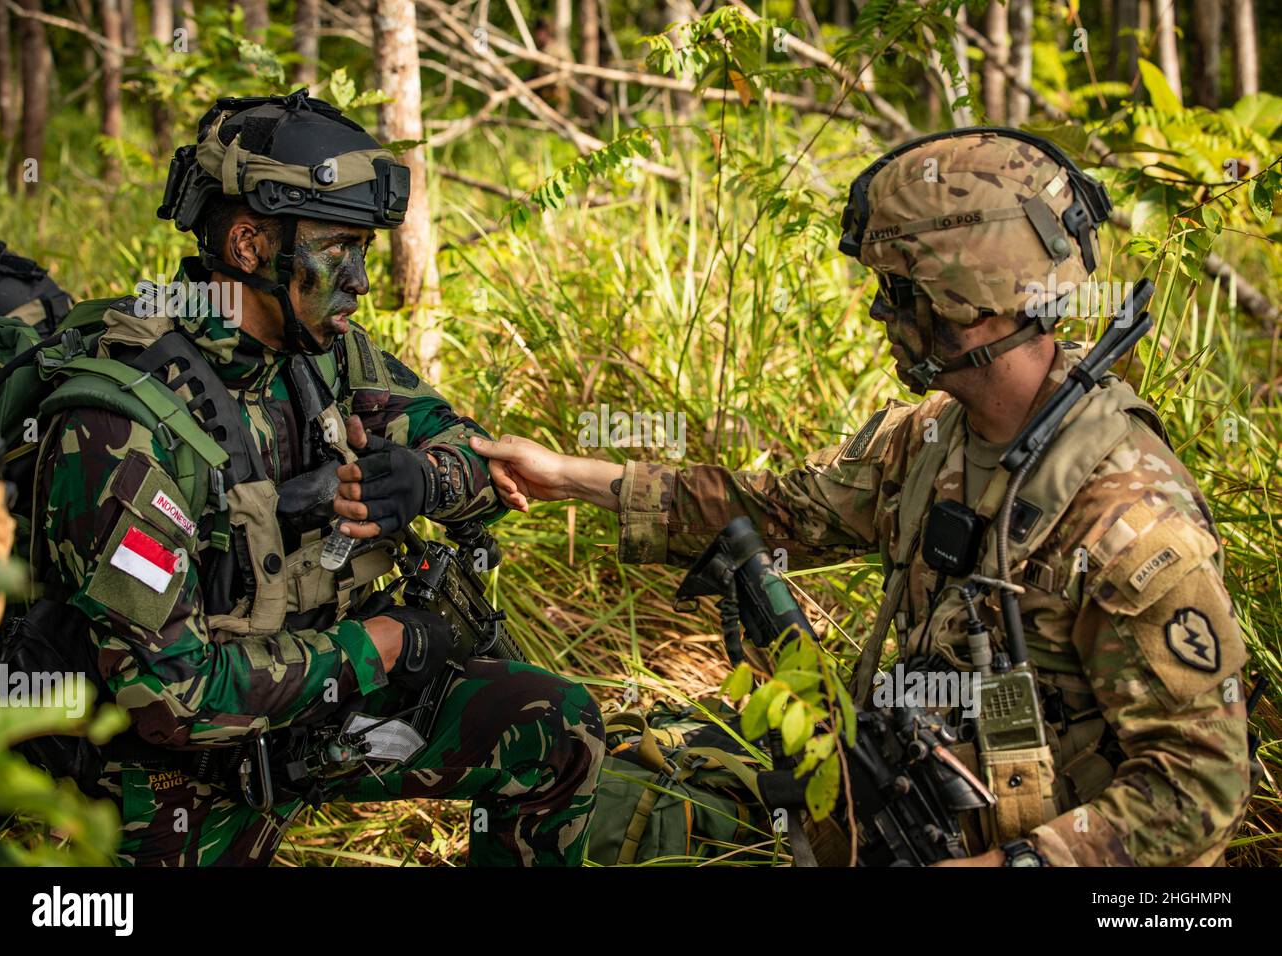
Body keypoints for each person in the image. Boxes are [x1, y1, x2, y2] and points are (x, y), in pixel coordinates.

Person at [469, 128, 1252, 867]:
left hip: (1002, 849)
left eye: (897, 291)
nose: (882, 316)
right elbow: (779, 509)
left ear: (965, 300)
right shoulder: (934, 439)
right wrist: (564, 476)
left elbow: (1199, 789)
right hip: (893, 797)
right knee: (582, 777)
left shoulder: (1128, 522)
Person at [30, 90, 603, 866]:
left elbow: (485, 460)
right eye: (341, 252)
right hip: (174, 771)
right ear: (246, 244)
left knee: (555, 726)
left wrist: (421, 481)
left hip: (313, 710)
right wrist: (386, 645)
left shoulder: (322, 353)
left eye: (364, 253)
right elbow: (174, 700)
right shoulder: (121, 427)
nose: (362, 283)